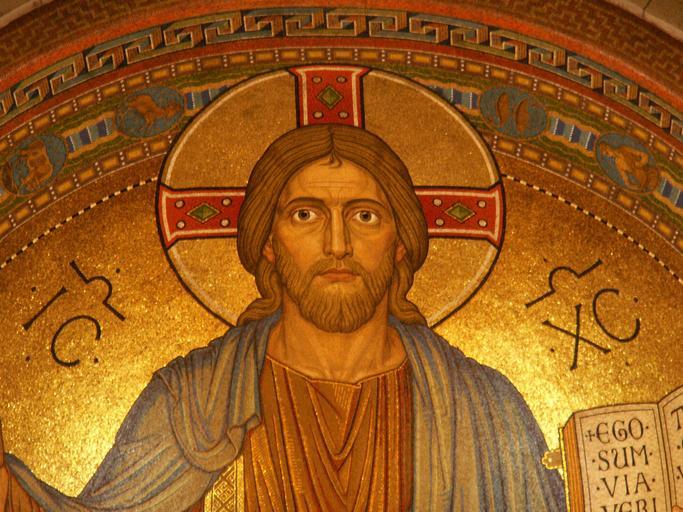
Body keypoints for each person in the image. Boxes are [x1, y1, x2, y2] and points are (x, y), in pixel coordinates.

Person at [0, 124, 567, 511]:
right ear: (268, 242)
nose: (338, 244)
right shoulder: (193, 402)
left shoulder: (483, 408)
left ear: (400, 243)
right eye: (305, 215)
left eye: (365, 216)